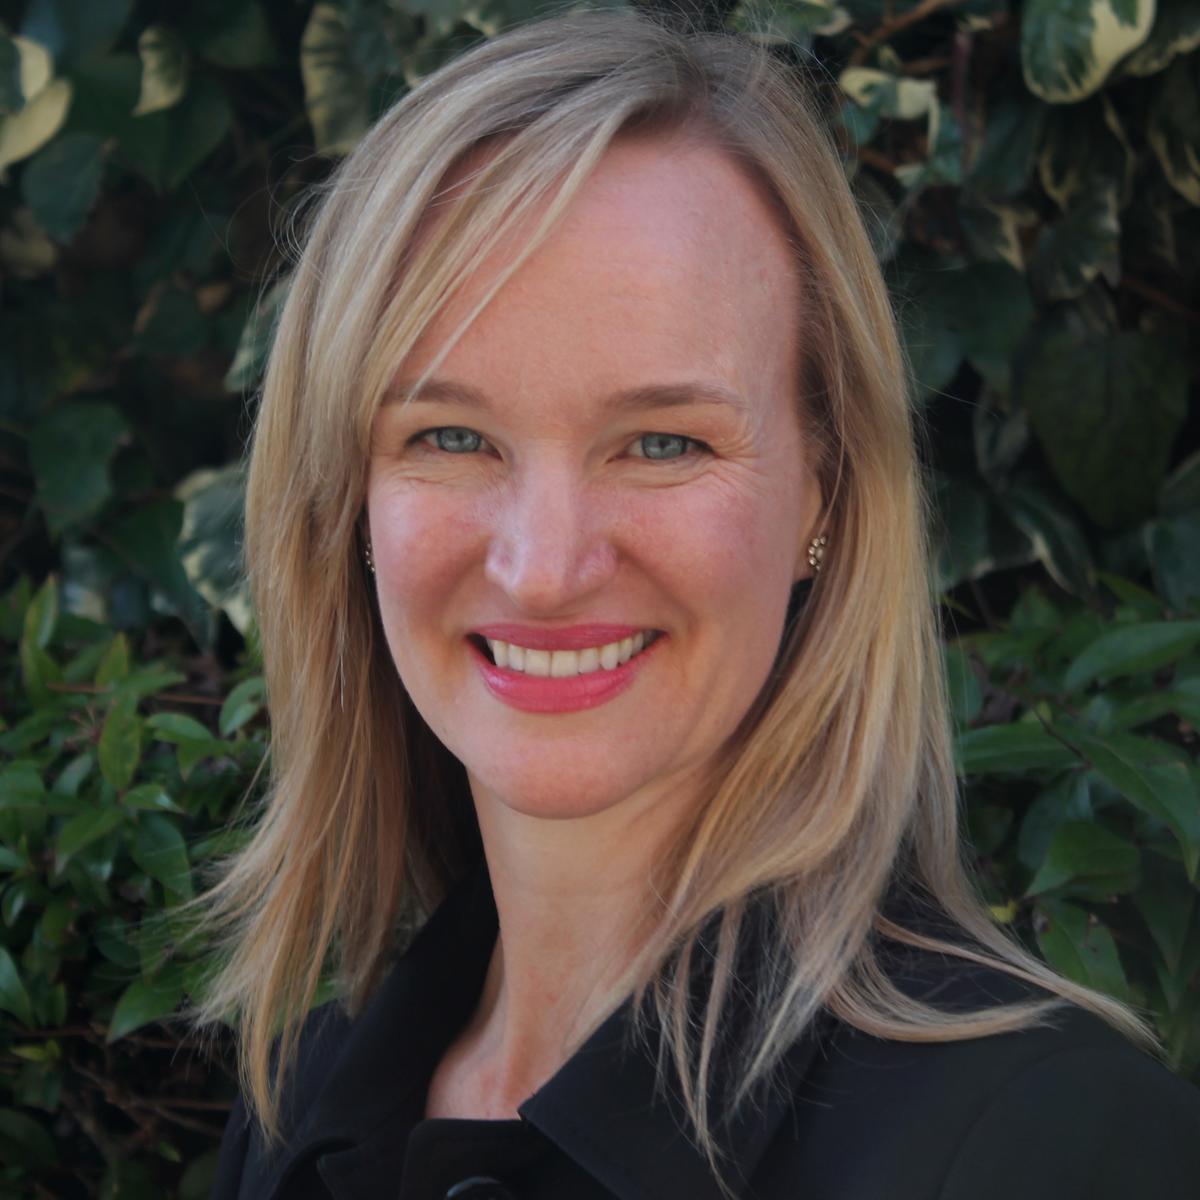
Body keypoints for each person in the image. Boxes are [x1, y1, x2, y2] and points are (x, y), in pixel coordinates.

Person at [200, 10, 1200, 1199]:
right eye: (451, 436)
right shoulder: (297, 1106)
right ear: (349, 498)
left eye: (663, 442)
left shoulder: (1049, 1143)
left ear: (823, 492)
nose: (544, 567)